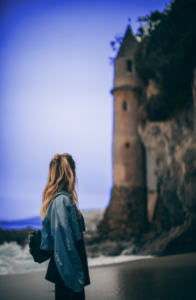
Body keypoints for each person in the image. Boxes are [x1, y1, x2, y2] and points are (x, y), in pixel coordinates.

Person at [40, 153, 90, 300]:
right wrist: (75, 282)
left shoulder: (63, 201)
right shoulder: (61, 201)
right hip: (69, 278)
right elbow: (63, 246)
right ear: (70, 174)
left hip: (69, 275)